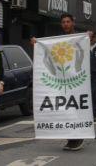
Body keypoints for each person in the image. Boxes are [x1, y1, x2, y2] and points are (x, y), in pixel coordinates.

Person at [31, 13, 84, 151]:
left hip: (76, 79)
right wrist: (37, 43)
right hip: (60, 79)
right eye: (63, 22)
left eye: (68, 21)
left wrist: (89, 37)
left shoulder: (80, 38)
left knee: (75, 107)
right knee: (65, 108)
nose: (66, 24)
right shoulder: (58, 40)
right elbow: (47, 50)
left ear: (73, 23)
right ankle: (71, 137)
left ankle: (78, 137)